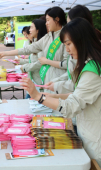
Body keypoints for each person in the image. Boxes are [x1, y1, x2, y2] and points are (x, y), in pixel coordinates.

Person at [20, 18, 101, 167]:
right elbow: (78, 95)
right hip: (88, 133)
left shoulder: (92, 70)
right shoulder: (88, 64)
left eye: (69, 44)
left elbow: (72, 106)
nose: (67, 49)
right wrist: (54, 96)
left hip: (94, 139)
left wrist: (38, 96)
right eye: (65, 45)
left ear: (82, 40)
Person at [0, 6, 68, 93]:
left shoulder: (66, 36)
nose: (46, 23)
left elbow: (68, 64)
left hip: (60, 84)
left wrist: (47, 61)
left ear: (57, 19)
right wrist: (5, 53)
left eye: (48, 20)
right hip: (47, 82)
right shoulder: (48, 37)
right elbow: (28, 49)